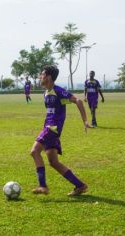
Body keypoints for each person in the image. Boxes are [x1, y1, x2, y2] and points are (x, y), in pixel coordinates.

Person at [30, 65, 90, 196]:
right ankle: (80, 186)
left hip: (52, 129)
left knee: (34, 152)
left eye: (42, 74)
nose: (40, 76)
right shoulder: (46, 93)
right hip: (50, 129)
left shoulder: (58, 91)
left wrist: (85, 120)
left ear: (49, 77)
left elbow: (78, 101)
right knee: (53, 162)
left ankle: (43, 186)